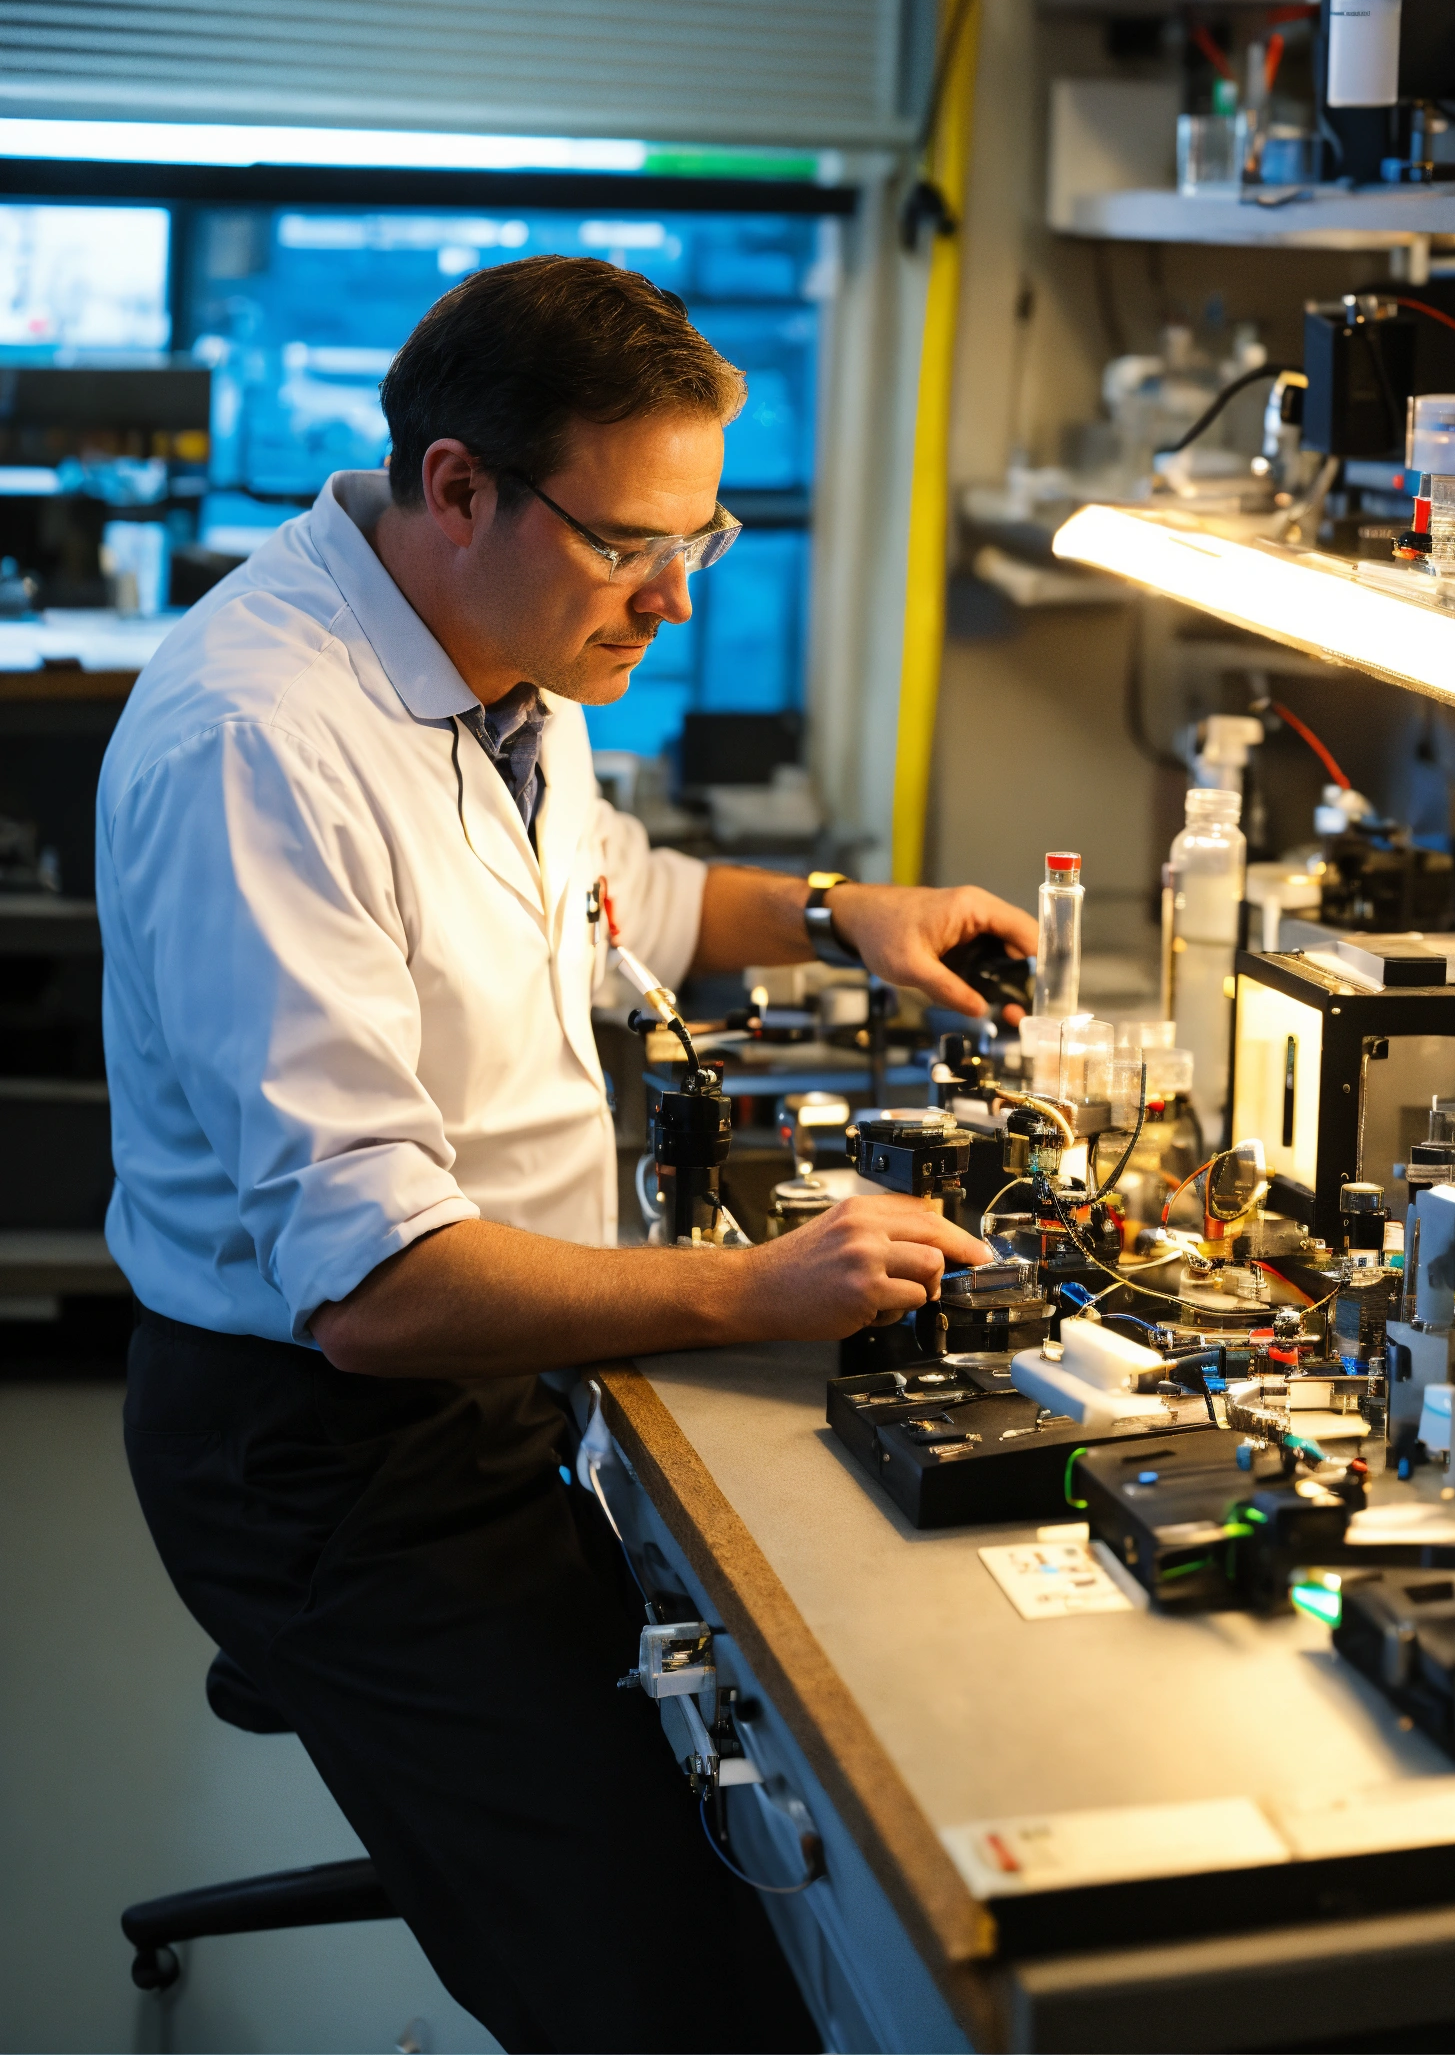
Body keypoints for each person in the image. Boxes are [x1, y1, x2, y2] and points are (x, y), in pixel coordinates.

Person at [101, 254, 1038, 2053]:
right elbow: (374, 1294)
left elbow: (613, 897)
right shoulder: (262, 745)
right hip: (335, 1455)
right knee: (679, 1989)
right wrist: (749, 1291)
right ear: (458, 486)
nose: (677, 598)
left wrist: (844, 912)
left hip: (513, 1383)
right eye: (633, 546)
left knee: (756, 1785)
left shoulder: (517, 651)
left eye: (706, 538)